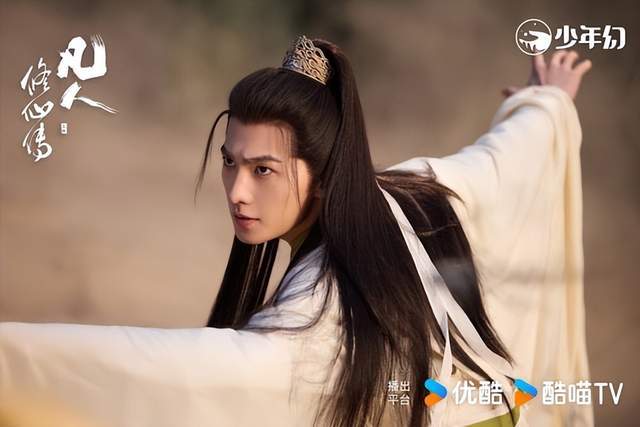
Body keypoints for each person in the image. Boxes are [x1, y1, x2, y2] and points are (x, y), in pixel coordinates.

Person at [0, 36, 592, 427]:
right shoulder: (416, 189)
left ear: (325, 169)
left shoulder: (317, 310)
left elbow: (168, 371)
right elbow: (504, 163)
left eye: (263, 170)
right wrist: (547, 103)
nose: (237, 191)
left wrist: (16, 357)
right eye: (230, 162)